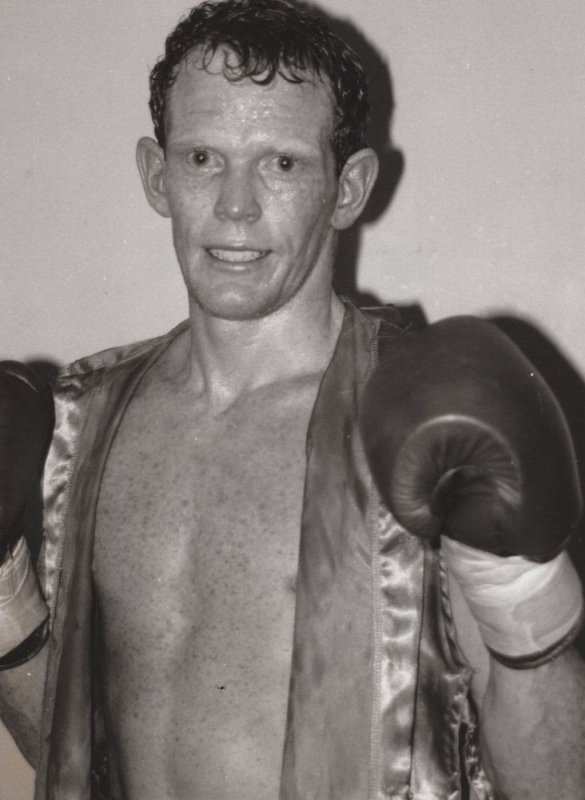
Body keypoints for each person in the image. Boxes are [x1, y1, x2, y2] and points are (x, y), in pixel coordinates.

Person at [0, 1, 584, 798]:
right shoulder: (81, 425)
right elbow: (73, 755)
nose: (234, 207)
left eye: (280, 164)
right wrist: (4, 592)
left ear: (348, 189)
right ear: (154, 173)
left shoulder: (417, 421)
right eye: (202, 157)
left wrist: (525, 599)